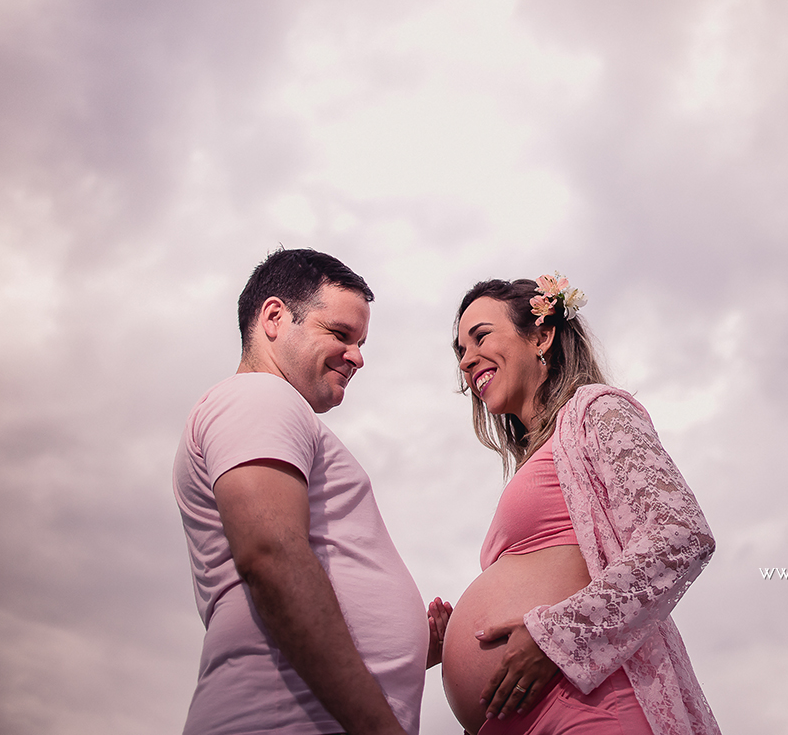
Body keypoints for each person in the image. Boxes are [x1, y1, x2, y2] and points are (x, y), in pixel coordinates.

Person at [172, 248, 447, 735]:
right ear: (275, 318)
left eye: (360, 342)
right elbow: (271, 555)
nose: (357, 357)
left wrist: (406, 650)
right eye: (340, 334)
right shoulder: (258, 394)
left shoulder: (272, 408)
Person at [440, 273, 721, 735]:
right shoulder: (541, 457)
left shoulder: (597, 410)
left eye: (481, 337)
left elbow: (680, 534)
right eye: (460, 351)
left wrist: (557, 636)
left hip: (594, 708)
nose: (467, 360)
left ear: (541, 336)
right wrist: (459, 639)